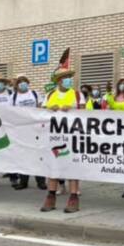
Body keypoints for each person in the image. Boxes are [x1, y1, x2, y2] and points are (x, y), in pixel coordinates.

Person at [41, 67, 84, 213]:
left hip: (73, 136)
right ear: (59, 80)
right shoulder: (49, 95)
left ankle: (73, 197)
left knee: (73, 166)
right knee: (52, 165)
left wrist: (73, 110)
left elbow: (86, 115)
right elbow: (39, 114)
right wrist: (48, 109)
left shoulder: (78, 96)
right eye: (65, 77)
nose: (69, 80)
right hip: (53, 136)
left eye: (69, 77)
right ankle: (51, 196)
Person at [11, 75, 46, 191]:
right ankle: (23, 181)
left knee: (38, 155)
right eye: (20, 82)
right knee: (24, 156)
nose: (23, 84)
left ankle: (41, 181)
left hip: (35, 128)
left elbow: (41, 107)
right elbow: (10, 112)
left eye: (25, 82)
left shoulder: (35, 94)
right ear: (17, 85)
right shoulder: (14, 96)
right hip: (22, 130)